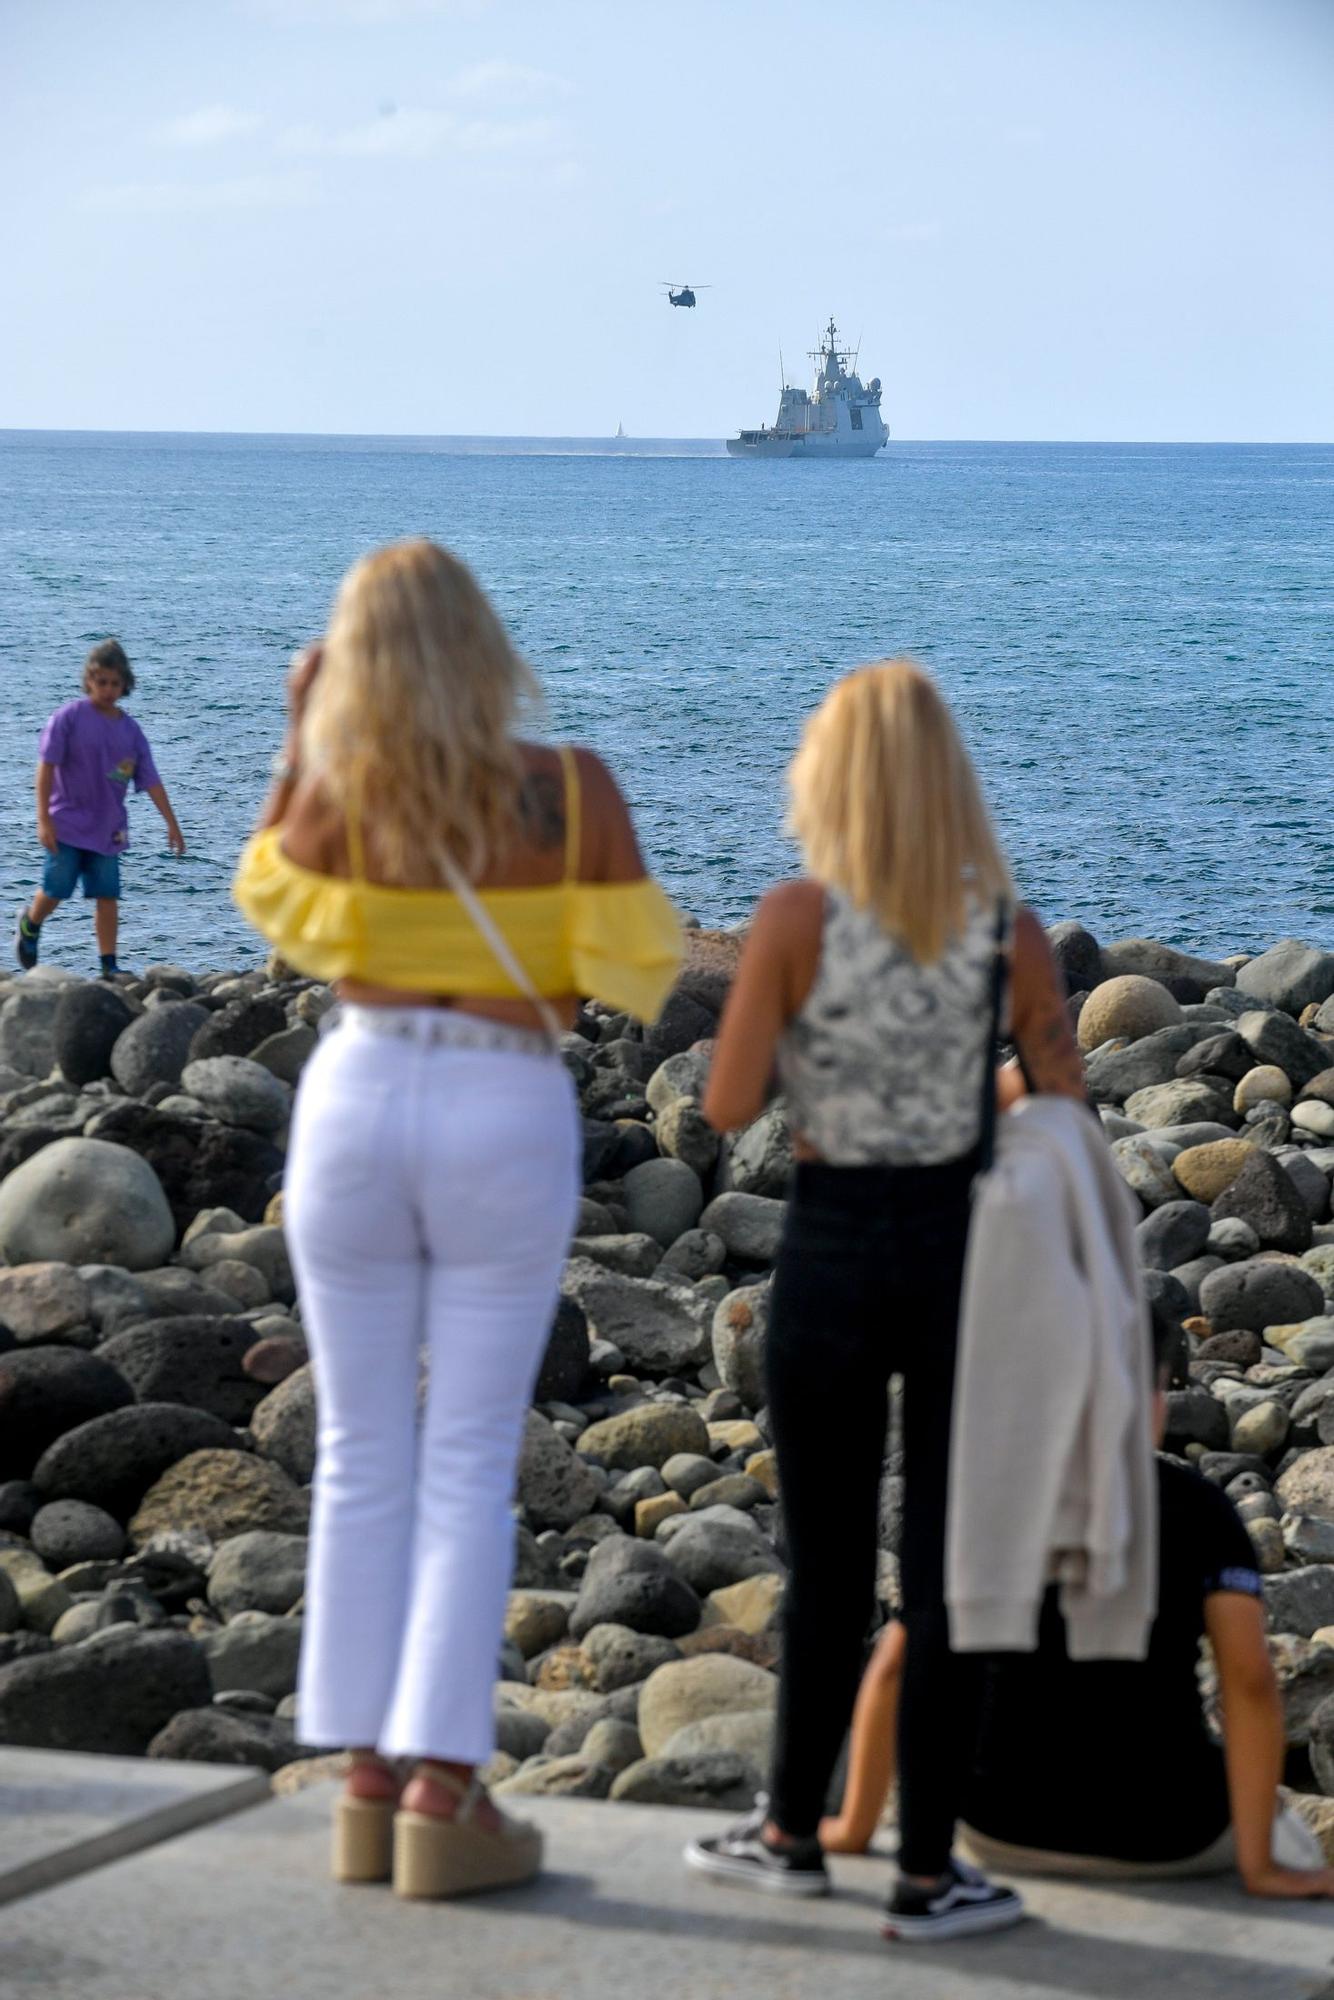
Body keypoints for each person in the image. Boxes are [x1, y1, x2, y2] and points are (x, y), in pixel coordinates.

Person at [233, 539, 681, 1900]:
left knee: (364, 1444)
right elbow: (638, 969)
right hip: (500, 1100)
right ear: (484, 647)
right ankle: (443, 1787)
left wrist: (303, 734)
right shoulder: (566, 787)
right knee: (473, 1451)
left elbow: (276, 908)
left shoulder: (339, 793)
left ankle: (363, 1778)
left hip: (359, 1091)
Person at [683, 659, 1088, 1942]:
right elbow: (1061, 1098)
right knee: (949, 1569)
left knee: (826, 1565)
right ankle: (926, 1872)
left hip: (832, 1249)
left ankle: (791, 1832)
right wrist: (981, 1097)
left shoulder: (798, 917)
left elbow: (727, 1103)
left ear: (832, 777)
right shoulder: (1005, 929)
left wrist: (820, 1057)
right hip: (957, 1255)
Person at [820, 1312, 1334, 1902]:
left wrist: (855, 1827)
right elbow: (1248, 1682)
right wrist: (1260, 1867)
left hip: (997, 1827)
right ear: (1155, 1402)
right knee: (1282, 1822)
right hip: (1169, 1833)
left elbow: (894, 1666)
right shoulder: (1201, 1511)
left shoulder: (977, 1507)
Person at [15, 639, 185, 977]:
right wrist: (43, 819)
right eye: (101, 682)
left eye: (115, 683)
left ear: (125, 684)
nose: (108, 690)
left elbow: (150, 778)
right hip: (65, 823)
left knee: (107, 896)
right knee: (55, 889)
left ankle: (109, 964)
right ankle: (31, 925)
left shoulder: (131, 732)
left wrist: (172, 823)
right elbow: (46, 767)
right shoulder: (68, 718)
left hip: (108, 828)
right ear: (89, 680)